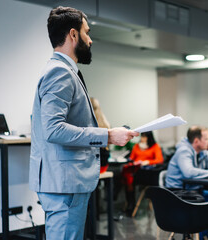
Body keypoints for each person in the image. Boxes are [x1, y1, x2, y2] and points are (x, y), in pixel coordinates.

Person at [29, 6, 139, 240]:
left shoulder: (62, 70)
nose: (90, 40)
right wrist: (108, 136)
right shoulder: (59, 72)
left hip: (65, 183)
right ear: (73, 35)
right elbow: (53, 129)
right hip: (64, 185)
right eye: (87, 32)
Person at [122, 131, 164, 216]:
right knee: (126, 175)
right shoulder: (136, 146)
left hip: (147, 173)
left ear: (149, 137)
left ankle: (131, 204)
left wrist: (148, 162)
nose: (142, 139)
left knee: (129, 178)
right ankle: (130, 203)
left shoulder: (155, 146)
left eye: (145, 137)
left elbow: (160, 160)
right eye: (142, 136)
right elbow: (131, 159)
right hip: (136, 170)